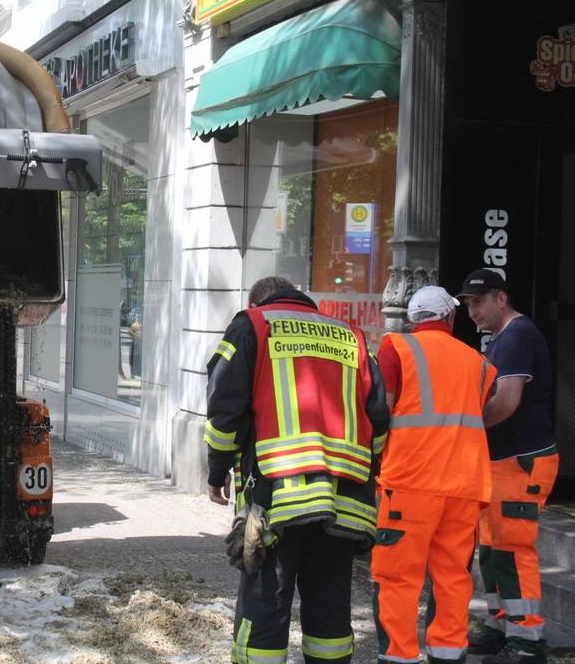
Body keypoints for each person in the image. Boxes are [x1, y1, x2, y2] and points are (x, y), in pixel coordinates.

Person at [205, 276, 389, 664]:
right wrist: (368, 470)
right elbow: (378, 418)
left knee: (266, 603)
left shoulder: (253, 324)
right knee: (330, 611)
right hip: (345, 502)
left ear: (257, 301)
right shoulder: (350, 336)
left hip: (278, 498)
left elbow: (225, 407)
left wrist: (216, 470)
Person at [372, 286, 497, 664]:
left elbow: (382, 413)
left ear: (413, 319)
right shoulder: (479, 362)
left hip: (409, 483)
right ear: (450, 318)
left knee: (397, 577)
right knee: (453, 577)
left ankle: (398, 656)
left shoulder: (396, 348)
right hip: (465, 484)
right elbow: (487, 408)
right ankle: (447, 654)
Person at [457, 269, 559, 664]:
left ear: (501, 298)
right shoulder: (505, 337)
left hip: (521, 461)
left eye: (478, 302)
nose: (472, 311)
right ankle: (503, 626)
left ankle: (528, 639)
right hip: (507, 461)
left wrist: (467, 425)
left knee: (512, 548)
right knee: (494, 548)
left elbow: (506, 402)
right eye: (467, 304)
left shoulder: (515, 336)